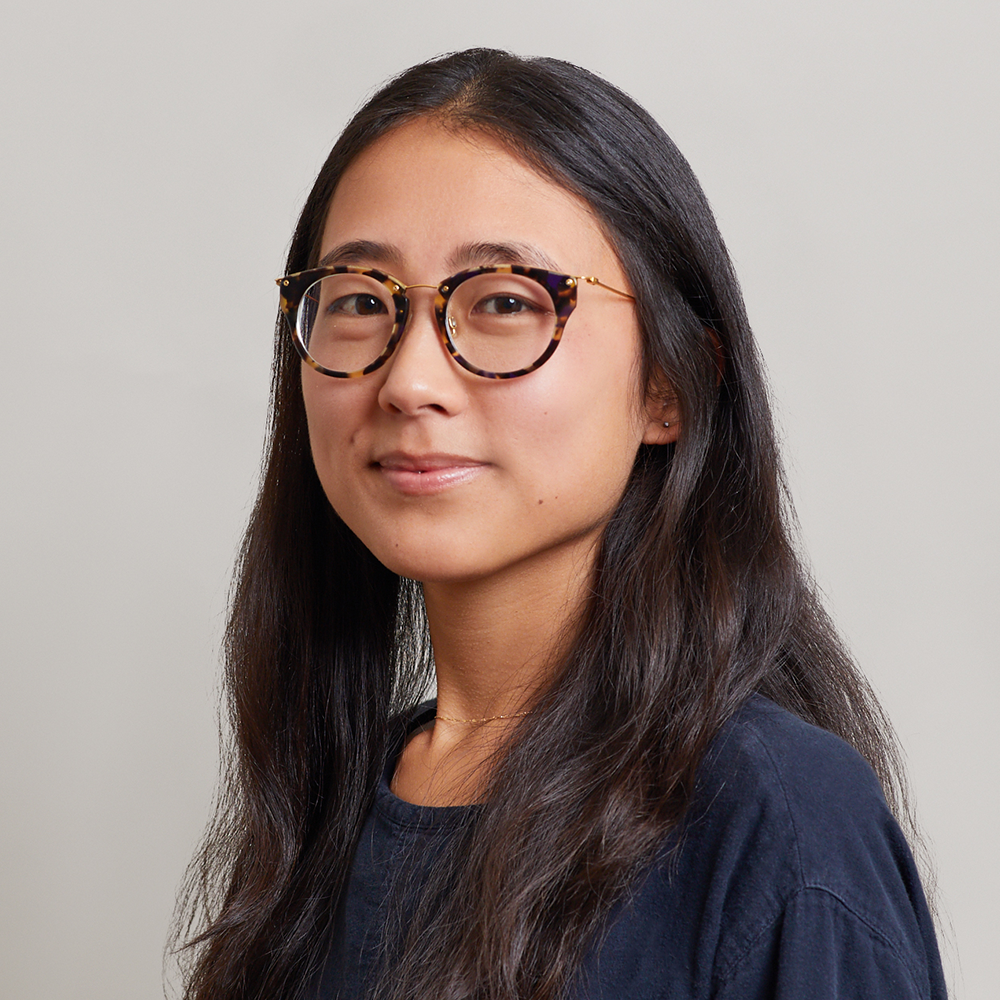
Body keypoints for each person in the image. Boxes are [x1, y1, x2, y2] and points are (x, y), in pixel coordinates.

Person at [174, 48, 946, 1000]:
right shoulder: (322, 813)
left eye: (505, 301)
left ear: (670, 385)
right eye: (363, 301)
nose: (408, 380)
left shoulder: (779, 823)